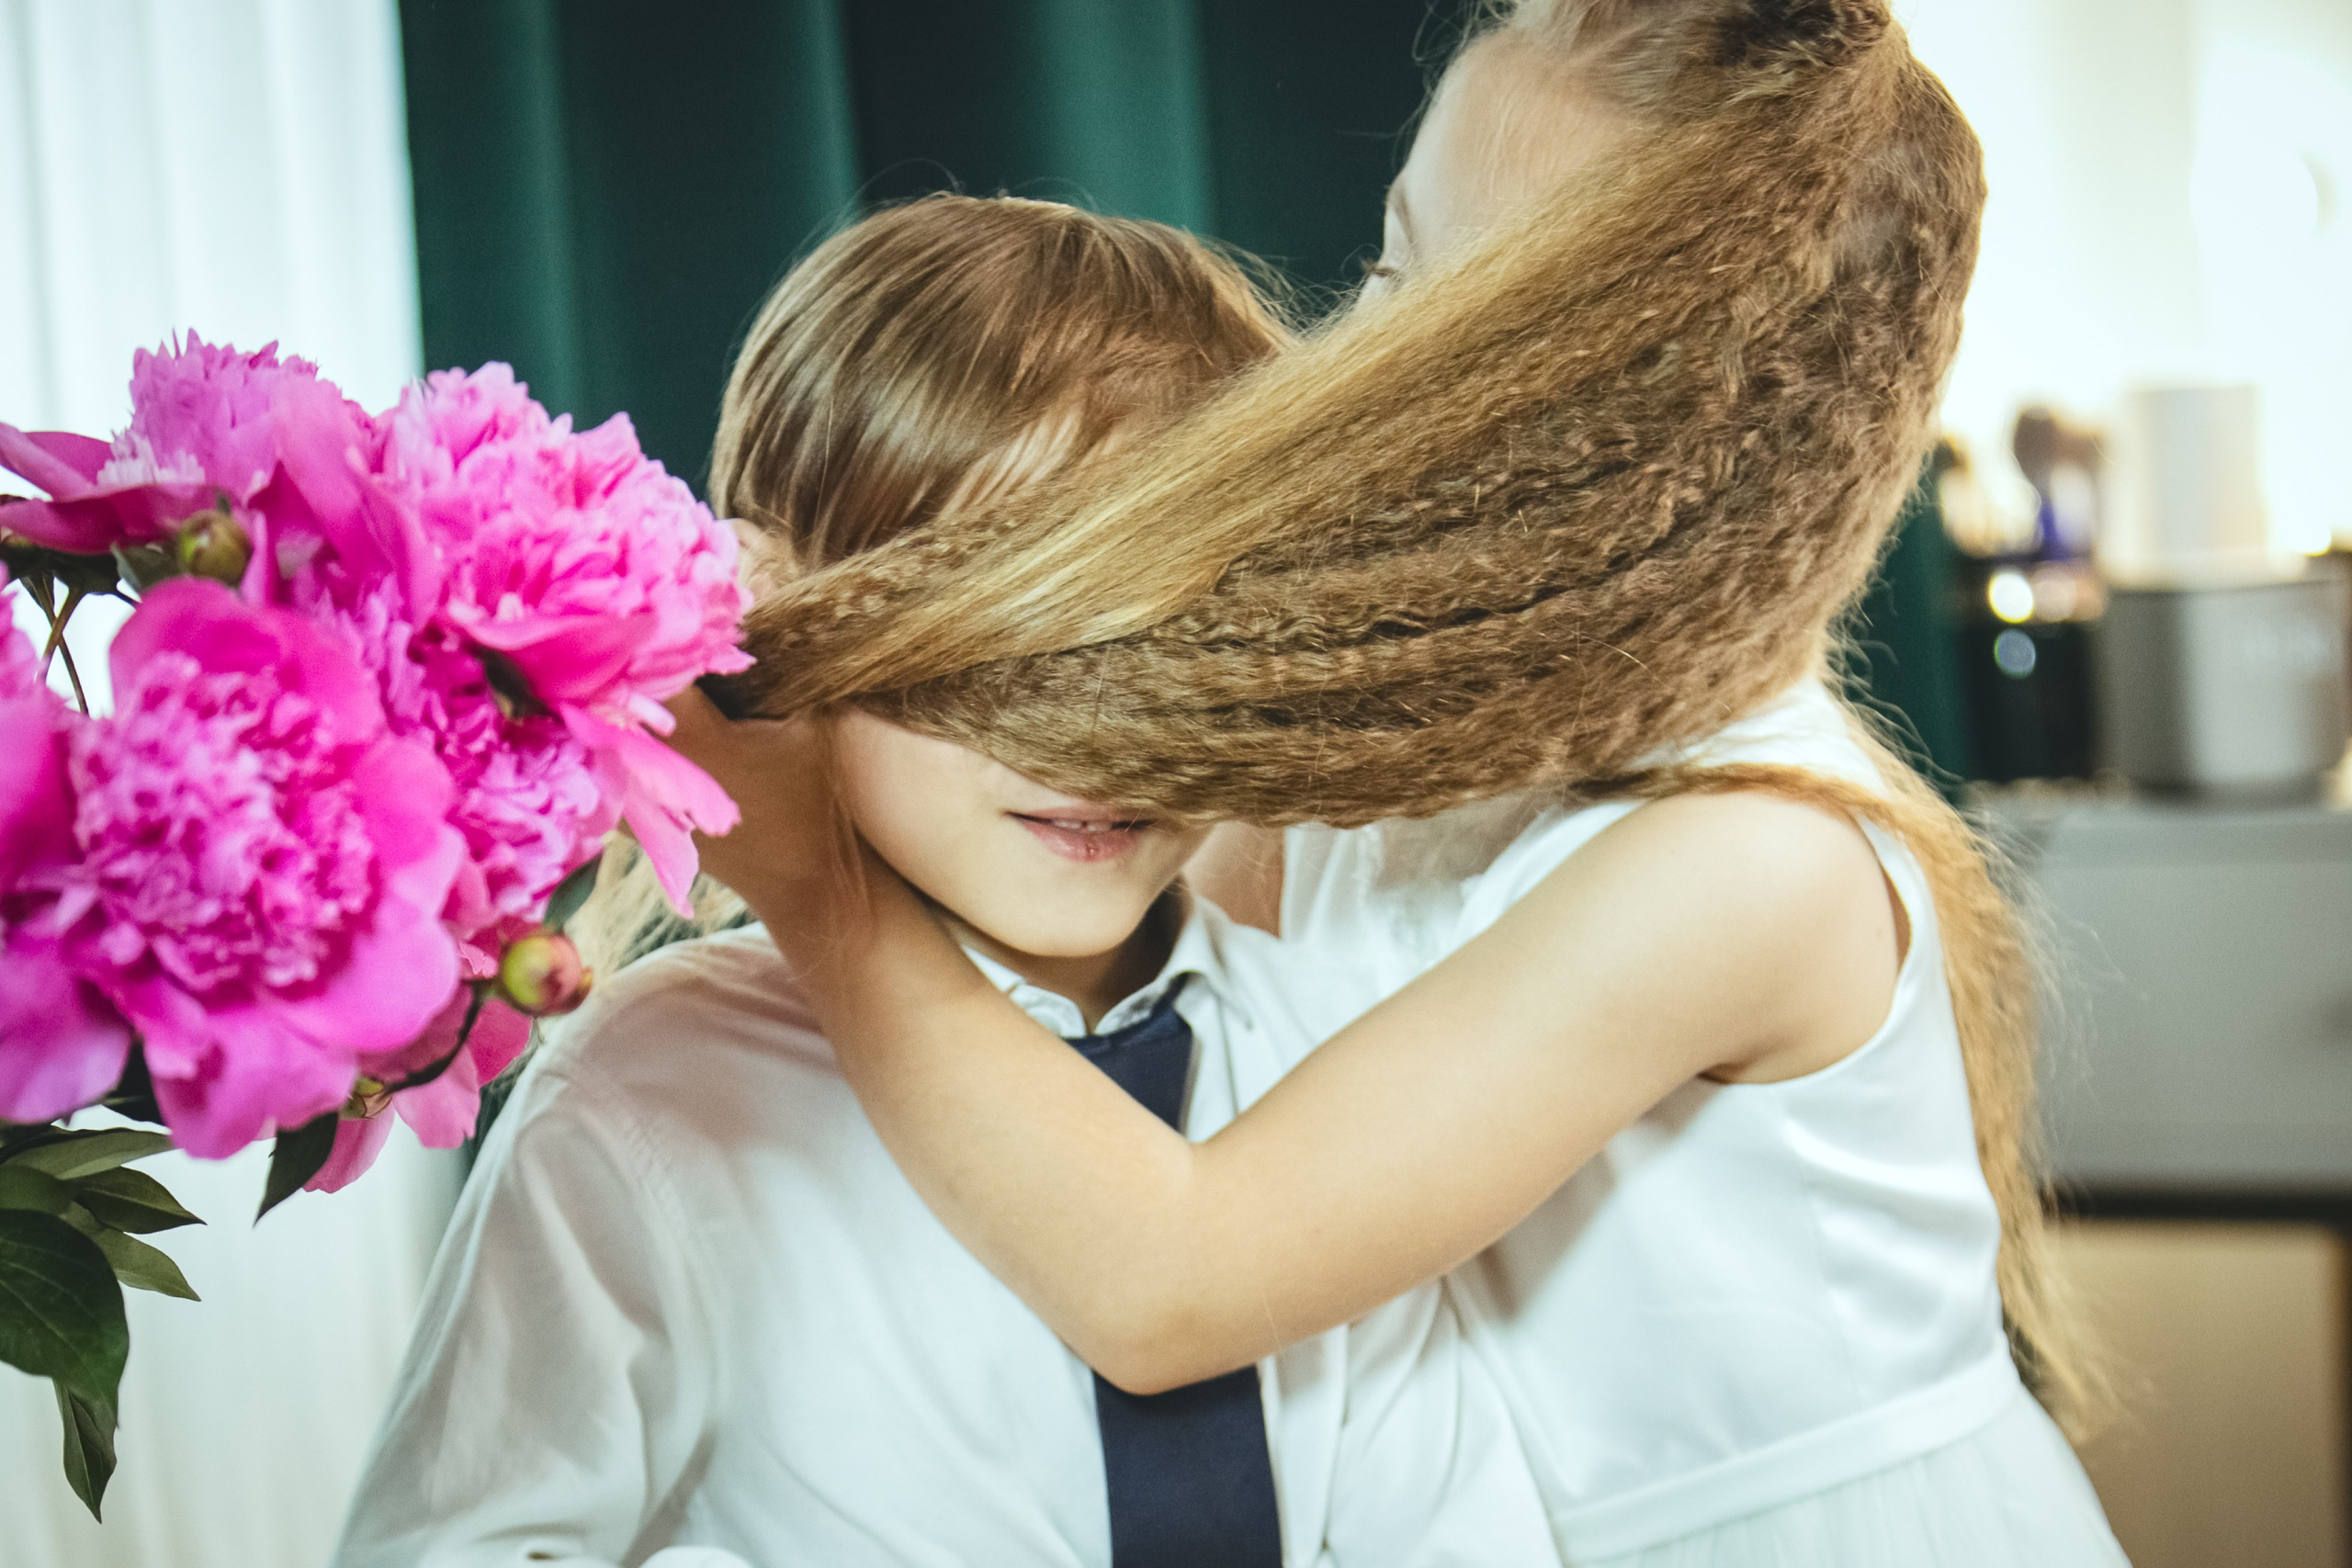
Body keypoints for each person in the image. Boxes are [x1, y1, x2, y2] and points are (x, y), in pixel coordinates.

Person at [679, 3, 2131, 1563]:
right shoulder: (1398, 734)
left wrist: (811, 874)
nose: (1353, 353)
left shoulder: (1744, 865)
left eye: (1440, 316)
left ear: (1632, 435)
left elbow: (1170, 1281)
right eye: (1383, 262)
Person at [333, 195, 1485, 1568]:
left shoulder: (1334, 1054)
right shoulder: (658, 1091)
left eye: (1172, 637)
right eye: (990, 639)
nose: (1086, 737)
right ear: (772, 609)